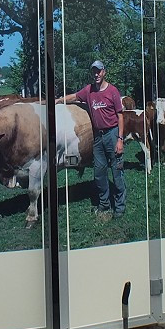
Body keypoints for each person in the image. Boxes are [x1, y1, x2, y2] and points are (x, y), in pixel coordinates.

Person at [57, 61, 126, 220]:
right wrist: (58, 101)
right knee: (99, 173)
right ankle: (104, 204)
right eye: (94, 71)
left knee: (117, 172)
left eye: (99, 71)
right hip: (97, 137)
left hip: (112, 134)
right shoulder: (89, 90)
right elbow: (74, 96)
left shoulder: (112, 91)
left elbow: (120, 116)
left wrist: (120, 139)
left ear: (104, 72)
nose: (96, 74)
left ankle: (120, 207)